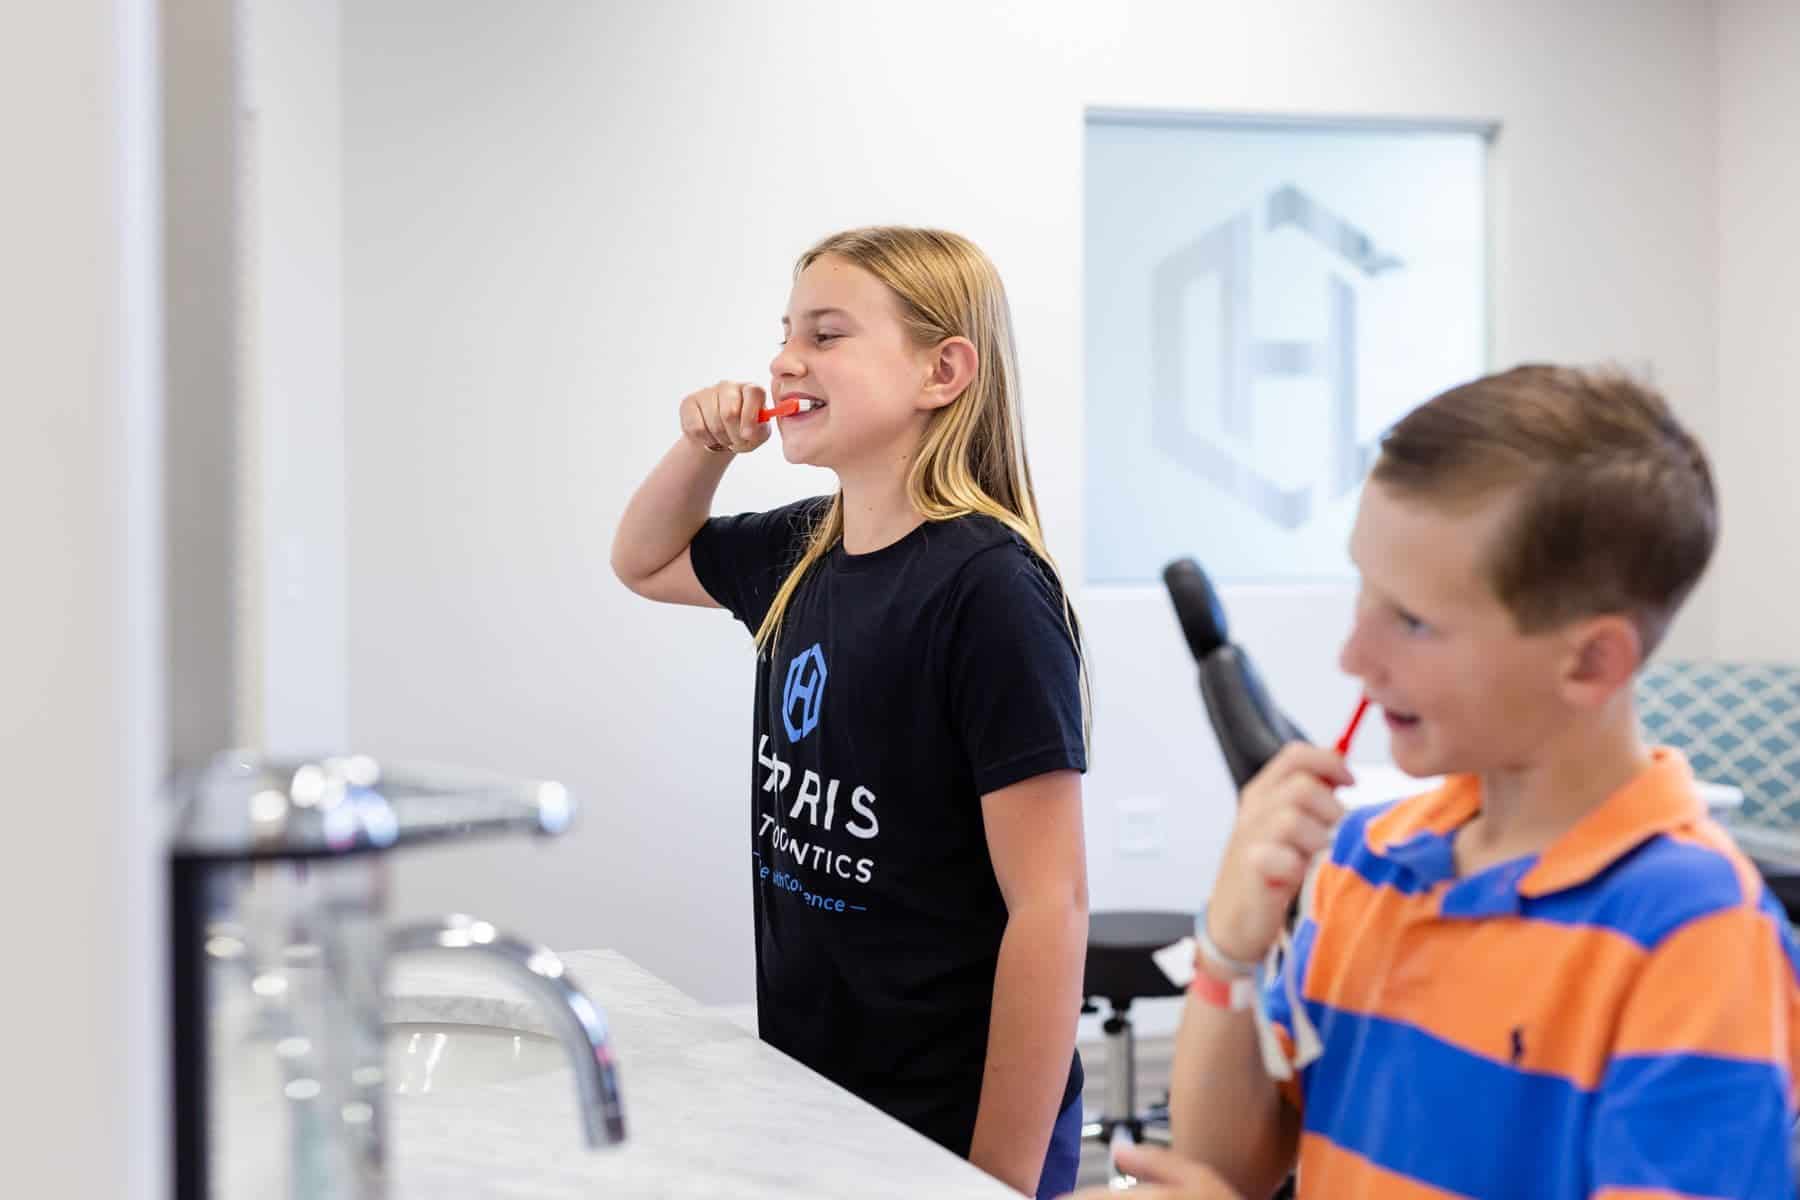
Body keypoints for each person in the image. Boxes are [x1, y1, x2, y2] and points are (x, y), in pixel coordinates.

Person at [1142, 366, 1800, 1199]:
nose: (1353, 658)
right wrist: (1230, 952)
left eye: (1413, 621)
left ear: (1592, 662)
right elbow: (1229, 1166)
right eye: (1363, 593)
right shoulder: (1369, 858)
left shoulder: (1698, 939)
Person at [612, 226, 1090, 1197]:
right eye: (786, 333)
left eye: (826, 335)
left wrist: (994, 1175)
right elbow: (645, 561)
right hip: (816, 1089)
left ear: (942, 370)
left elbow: (1052, 908)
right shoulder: (801, 550)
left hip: (951, 1123)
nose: (786, 359)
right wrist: (704, 446)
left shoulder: (989, 589)